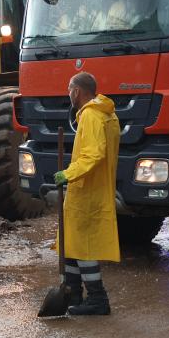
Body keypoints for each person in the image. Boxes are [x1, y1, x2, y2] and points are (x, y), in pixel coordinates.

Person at [53, 71, 121, 315]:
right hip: (91, 188)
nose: (68, 94)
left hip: (87, 191)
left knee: (83, 247)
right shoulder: (107, 115)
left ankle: (97, 300)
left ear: (76, 91)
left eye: (69, 89)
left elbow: (93, 154)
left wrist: (68, 174)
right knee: (71, 243)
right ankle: (73, 294)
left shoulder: (92, 116)